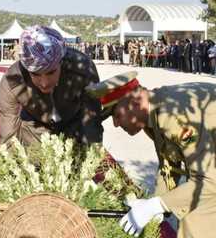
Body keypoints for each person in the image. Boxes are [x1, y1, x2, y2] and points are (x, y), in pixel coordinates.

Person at [86, 71, 216, 238]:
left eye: (116, 115)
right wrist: (155, 203)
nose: (116, 124)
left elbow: (209, 181)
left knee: (194, 224)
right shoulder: (155, 112)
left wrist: (158, 205)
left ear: (134, 101)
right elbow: (169, 166)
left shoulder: (174, 116)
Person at [0, 25, 103, 146]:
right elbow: (8, 136)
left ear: (61, 62)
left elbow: (91, 122)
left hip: (73, 130)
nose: (44, 83)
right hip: (34, 135)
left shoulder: (83, 69)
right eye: (35, 74)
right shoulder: (12, 81)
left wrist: (91, 156)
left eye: (51, 72)